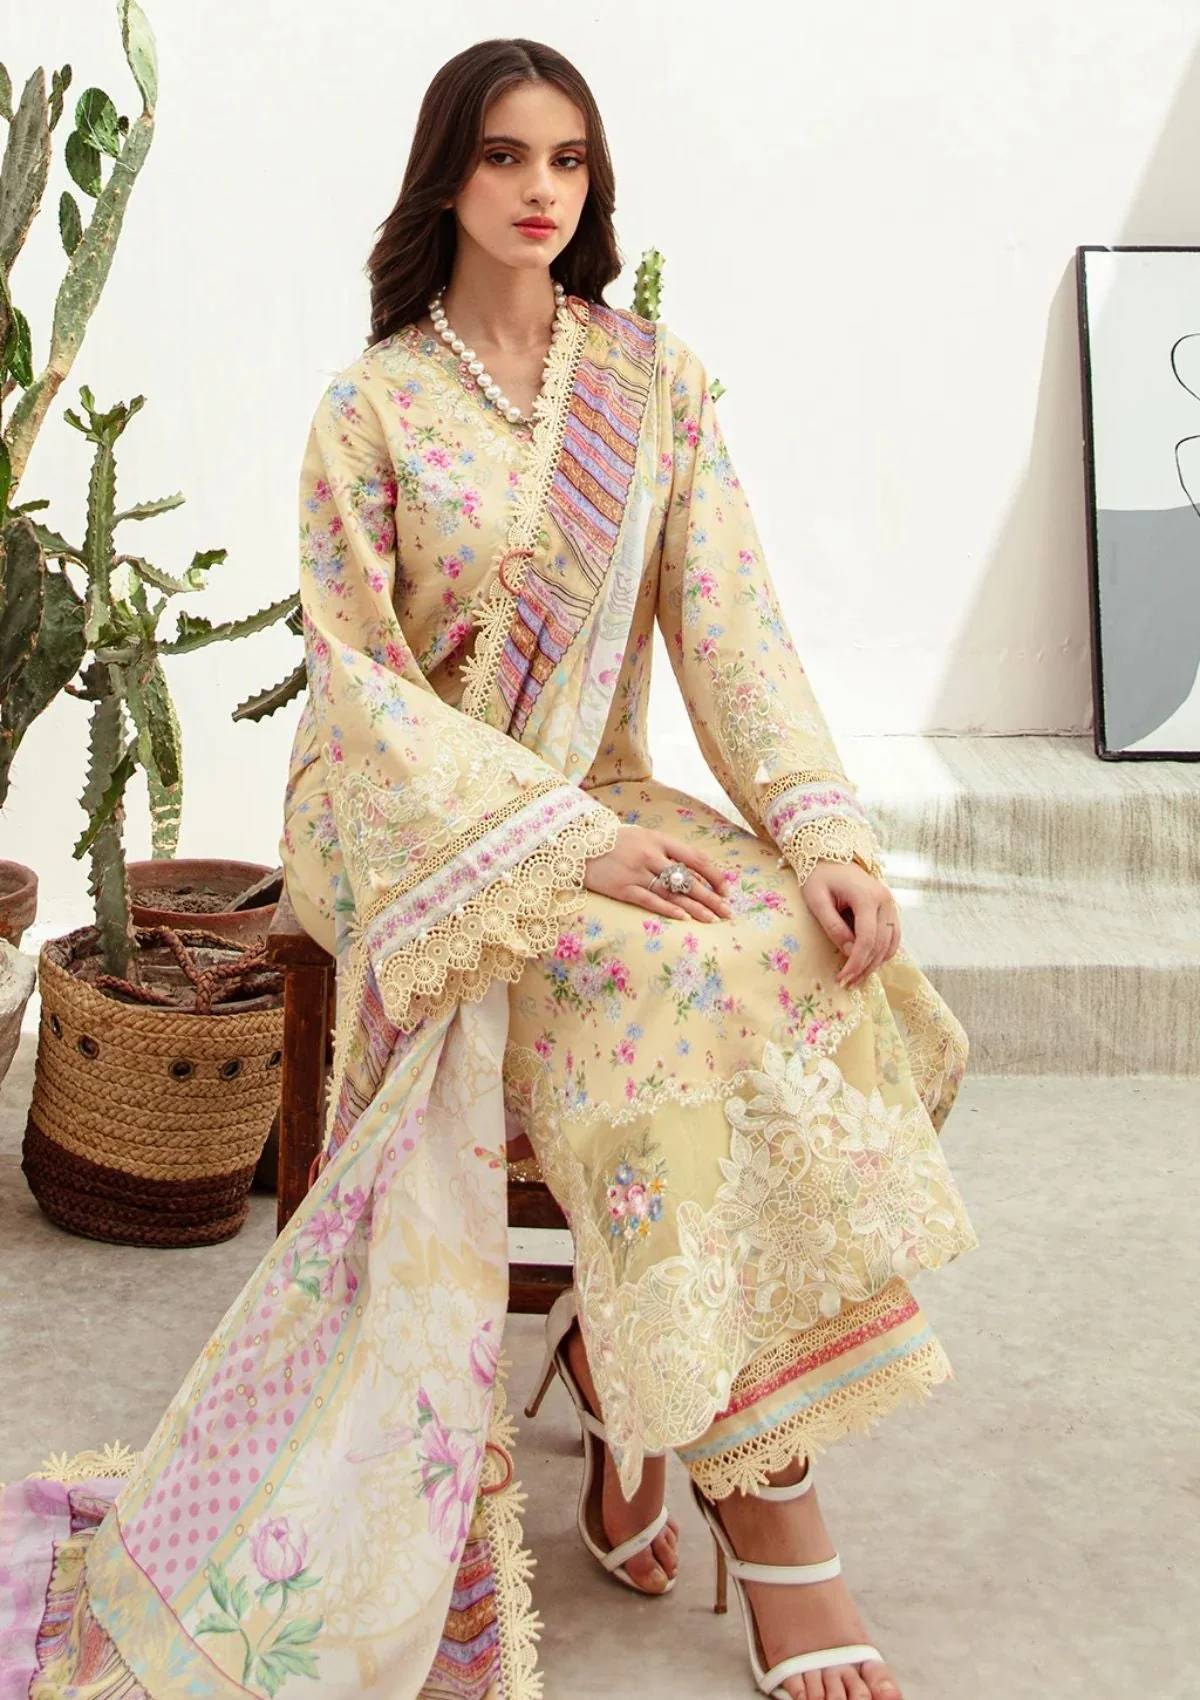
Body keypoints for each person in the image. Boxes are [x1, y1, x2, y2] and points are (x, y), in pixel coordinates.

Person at [0, 37, 978, 1700]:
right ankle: (773, 1511)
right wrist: (564, 848)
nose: (540, 191)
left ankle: (628, 1348)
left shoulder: (651, 384)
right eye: (507, 156)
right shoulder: (373, 406)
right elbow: (361, 690)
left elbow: (735, 633)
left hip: (603, 794)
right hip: (421, 828)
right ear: (447, 173)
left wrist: (822, 833)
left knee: (795, 945)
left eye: (569, 161)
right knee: (659, 983)